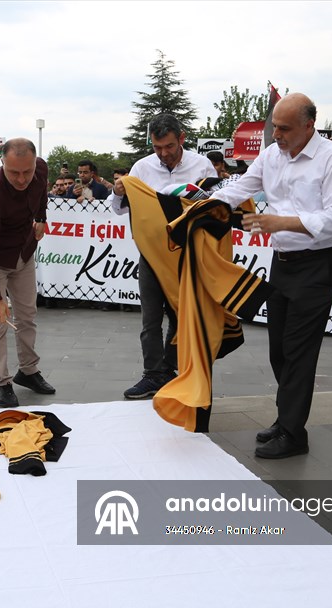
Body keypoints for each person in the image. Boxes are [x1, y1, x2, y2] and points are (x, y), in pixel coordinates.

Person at [211, 93, 332, 459]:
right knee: (278, 350)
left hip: (319, 262)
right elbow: (242, 186)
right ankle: (286, 415)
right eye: (274, 125)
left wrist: (281, 222)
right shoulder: (272, 154)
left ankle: (293, 433)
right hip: (283, 261)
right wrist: (204, 204)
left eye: (285, 128)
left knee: (299, 351)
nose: (277, 134)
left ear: (309, 126)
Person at [111, 112, 217, 400]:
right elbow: (118, 208)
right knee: (150, 317)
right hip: (151, 255)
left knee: (184, 314)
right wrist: (120, 191)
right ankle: (153, 374)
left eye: (169, 146)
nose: (163, 154)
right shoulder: (142, 168)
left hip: (189, 255)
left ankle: (175, 368)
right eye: (157, 148)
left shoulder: (202, 165)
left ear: (181, 139)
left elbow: (217, 206)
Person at [0, 138, 56, 408]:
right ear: (2, 165)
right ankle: (2, 382)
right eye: (14, 173)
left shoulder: (40, 169)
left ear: (35, 164)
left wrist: (41, 219)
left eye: (27, 172)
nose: (22, 179)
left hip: (23, 252)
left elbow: (41, 193)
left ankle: (28, 371)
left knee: (28, 315)